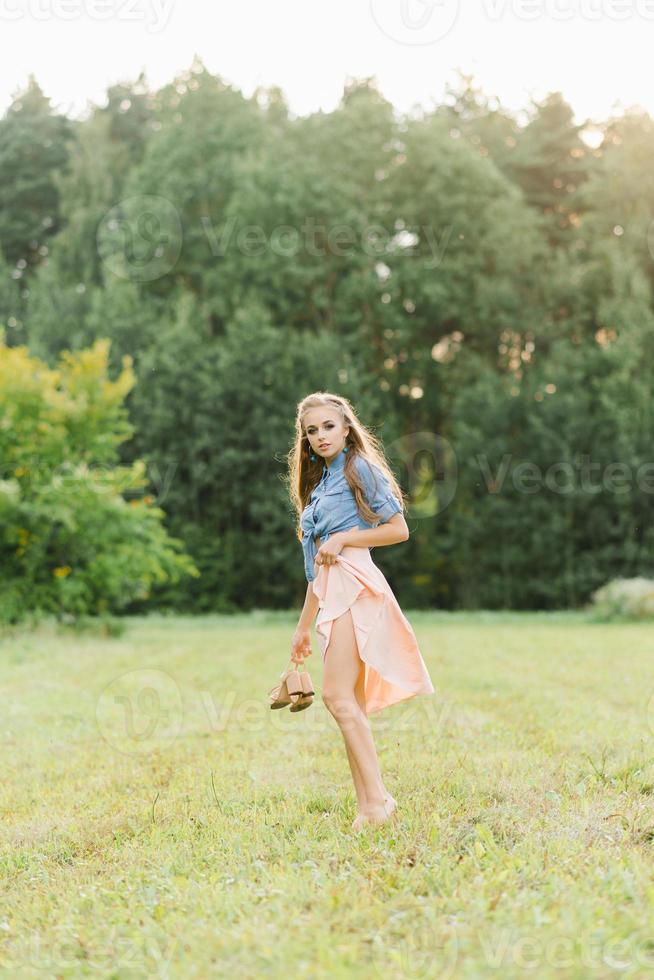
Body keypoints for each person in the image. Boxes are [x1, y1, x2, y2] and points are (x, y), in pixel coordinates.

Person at [286, 391, 435, 832]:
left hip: (356, 586)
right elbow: (317, 565)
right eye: (312, 431)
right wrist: (302, 628)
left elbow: (398, 529)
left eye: (328, 426)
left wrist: (346, 538)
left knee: (337, 698)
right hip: (330, 591)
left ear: (347, 427)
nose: (320, 436)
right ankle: (369, 803)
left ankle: (378, 803)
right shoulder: (317, 487)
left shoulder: (360, 470)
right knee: (347, 701)